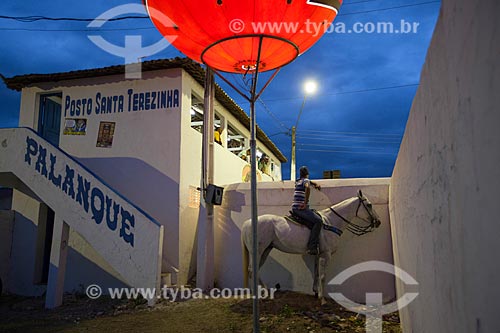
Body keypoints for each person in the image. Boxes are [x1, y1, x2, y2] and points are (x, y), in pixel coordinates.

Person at [291, 166, 322, 255]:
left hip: (295, 207)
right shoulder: (306, 181)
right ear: (307, 174)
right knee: (318, 221)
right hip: (300, 208)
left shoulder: (298, 181)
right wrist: (305, 203)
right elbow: (307, 187)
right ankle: (312, 247)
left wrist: (313, 183)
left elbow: (307, 181)